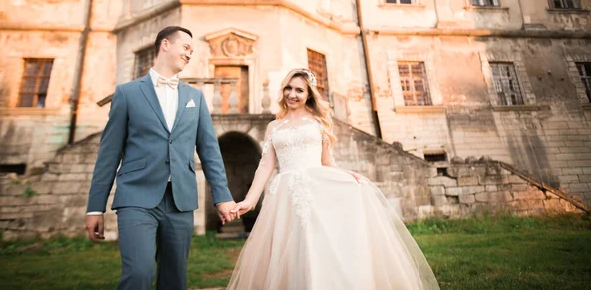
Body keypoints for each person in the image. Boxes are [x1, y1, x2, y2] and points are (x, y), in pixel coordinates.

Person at [228, 68, 440, 289]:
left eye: (299, 90)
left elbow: (327, 162)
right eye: (288, 88)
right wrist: (250, 201)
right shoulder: (274, 126)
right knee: (291, 250)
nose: (292, 94)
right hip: (285, 196)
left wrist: (348, 175)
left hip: (316, 189)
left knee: (319, 247)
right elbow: (265, 166)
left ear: (309, 94)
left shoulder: (318, 122)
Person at [86, 26, 237, 290]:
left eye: (192, 50)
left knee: (174, 279)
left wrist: (222, 196)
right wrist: (95, 207)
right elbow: (108, 154)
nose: (190, 54)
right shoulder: (127, 93)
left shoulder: (195, 98)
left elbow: (209, 150)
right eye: (186, 47)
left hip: (180, 200)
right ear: (165, 44)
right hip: (136, 197)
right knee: (139, 274)